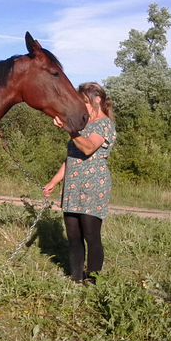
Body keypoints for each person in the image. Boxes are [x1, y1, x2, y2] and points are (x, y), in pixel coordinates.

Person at [43, 82, 116, 284]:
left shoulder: (105, 124)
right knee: (73, 236)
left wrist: (69, 130)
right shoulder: (83, 124)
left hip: (93, 185)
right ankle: (75, 279)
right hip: (73, 185)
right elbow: (72, 157)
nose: (82, 106)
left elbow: (88, 148)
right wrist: (54, 181)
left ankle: (92, 281)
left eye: (84, 101)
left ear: (97, 100)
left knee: (91, 235)